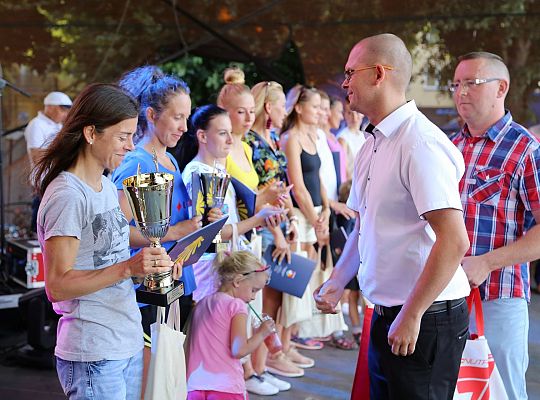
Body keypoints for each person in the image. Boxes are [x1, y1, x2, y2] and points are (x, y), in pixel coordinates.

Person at [315, 33, 471, 400]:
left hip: (426, 317)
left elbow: (454, 240)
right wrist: (339, 279)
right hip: (391, 313)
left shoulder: (420, 143)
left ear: (379, 74)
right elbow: (363, 224)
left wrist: (412, 314)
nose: (345, 82)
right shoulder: (375, 140)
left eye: (351, 71)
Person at [33, 83, 179, 400]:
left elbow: (106, 254)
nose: (130, 146)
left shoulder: (106, 185)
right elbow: (57, 286)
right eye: (122, 136)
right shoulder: (67, 195)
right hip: (93, 351)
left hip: (124, 340)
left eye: (131, 136)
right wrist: (128, 268)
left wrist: (152, 267)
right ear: (91, 133)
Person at [449, 51, 540, 399]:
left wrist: (487, 262)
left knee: (502, 391)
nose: (461, 92)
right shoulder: (450, 146)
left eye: (472, 83)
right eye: (456, 84)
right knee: (452, 391)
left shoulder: (526, 150)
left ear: (501, 88)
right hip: (446, 297)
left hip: (499, 299)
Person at [111, 65, 201, 397]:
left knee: (171, 373)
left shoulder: (171, 161)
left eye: (187, 117)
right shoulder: (135, 162)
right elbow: (119, 232)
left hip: (179, 276)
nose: (184, 126)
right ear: (151, 115)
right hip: (149, 284)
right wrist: (176, 232)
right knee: (151, 378)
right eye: (177, 117)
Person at [186, 250, 275, 399]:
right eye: (254, 290)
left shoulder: (202, 303)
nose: (253, 297)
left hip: (194, 386)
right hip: (225, 388)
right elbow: (239, 350)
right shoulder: (236, 306)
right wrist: (262, 333)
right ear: (238, 281)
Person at [24, 91, 72, 232]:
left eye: (66, 111)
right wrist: (64, 153)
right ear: (49, 107)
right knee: (40, 219)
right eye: (62, 110)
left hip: (58, 180)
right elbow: (36, 155)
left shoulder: (59, 126)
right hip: (43, 180)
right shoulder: (36, 124)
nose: (65, 114)